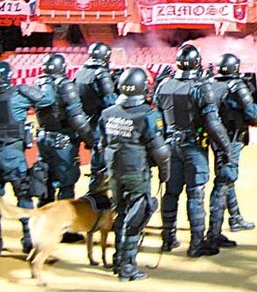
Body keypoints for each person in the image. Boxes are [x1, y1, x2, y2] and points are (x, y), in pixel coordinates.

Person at [153, 43, 233, 257]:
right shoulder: (201, 87)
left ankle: (168, 238)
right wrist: (226, 149)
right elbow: (213, 124)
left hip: (169, 145)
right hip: (193, 146)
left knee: (170, 193)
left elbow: (157, 117)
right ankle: (196, 243)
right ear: (197, 63)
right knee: (195, 194)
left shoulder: (163, 86)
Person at [0, 61, 55, 255]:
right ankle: (28, 240)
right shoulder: (18, 94)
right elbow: (47, 100)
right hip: (12, 154)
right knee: (24, 195)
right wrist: (45, 81)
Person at [100, 67, 172, 281]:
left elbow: (101, 144)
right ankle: (127, 266)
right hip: (136, 172)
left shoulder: (108, 113)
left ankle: (117, 258)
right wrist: (165, 173)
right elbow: (160, 151)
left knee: (121, 215)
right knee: (136, 218)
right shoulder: (147, 114)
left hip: (115, 171)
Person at [34, 53, 95, 242]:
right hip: (63, 140)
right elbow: (76, 117)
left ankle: (42, 221)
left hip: (44, 137)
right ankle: (65, 229)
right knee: (66, 183)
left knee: (45, 180)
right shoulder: (64, 85)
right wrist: (91, 139)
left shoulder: (39, 84)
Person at [206, 53, 257, 248]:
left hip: (214, 138)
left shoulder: (209, 84)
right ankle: (213, 233)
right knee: (224, 181)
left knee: (226, 178)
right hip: (231, 138)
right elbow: (255, 118)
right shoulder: (237, 87)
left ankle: (235, 217)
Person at [75, 42, 117, 193]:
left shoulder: (81, 71)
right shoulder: (100, 73)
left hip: (88, 119)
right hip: (101, 121)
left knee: (96, 158)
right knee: (102, 162)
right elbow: (110, 102)